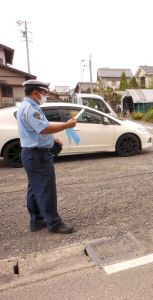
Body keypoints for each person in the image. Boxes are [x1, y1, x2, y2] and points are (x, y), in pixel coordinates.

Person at [17, 80, 77, 234]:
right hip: (38, 156)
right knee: (46, 190)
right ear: (35, 93)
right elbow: (43, 128)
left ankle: (37, 221)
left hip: (32, 154)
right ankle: (54, 223)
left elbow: (37, 130)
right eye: (44, 93)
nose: (46, 96)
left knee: (34, 189)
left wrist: (52, 139)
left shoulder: (28, 106)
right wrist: (67, 125)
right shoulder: (31, 108)